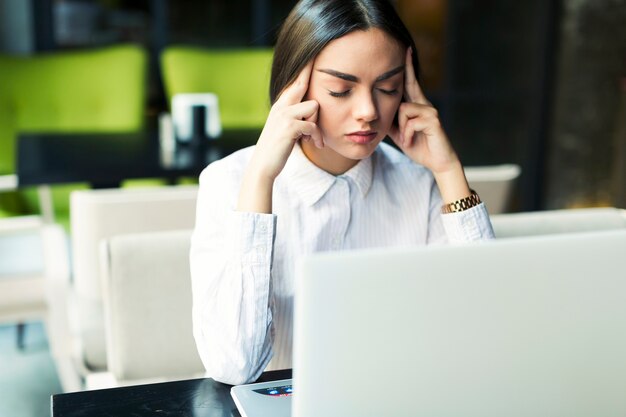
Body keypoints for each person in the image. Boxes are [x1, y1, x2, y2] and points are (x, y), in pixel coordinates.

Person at [190, 0, 495, 385]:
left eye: (388, 87)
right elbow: (235, 365)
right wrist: (261, 178)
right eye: (340, 90)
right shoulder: (229, 182)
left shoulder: (420, 183)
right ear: (293, 88)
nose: (368, 110)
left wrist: (449, 171)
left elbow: (487, 334)